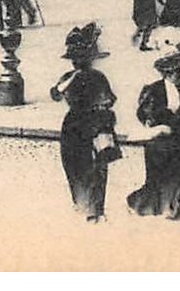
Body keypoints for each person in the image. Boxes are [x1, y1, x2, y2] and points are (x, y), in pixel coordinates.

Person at [126, 49, 180, 220]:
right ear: (165, 73)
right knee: (158, 177)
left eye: (178, 71)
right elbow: (143, 113)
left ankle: (174, 208)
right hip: (160, 141)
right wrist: (156, 123)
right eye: (172, 72)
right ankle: (158, 206)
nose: (176, 75)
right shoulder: (153, 90)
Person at [50, 24, 119, 221]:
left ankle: (89, 209)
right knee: (89, 168)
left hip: (80, 126)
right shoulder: (90, 77)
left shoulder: (88, 78)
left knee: (84, 168)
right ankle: (92, 209)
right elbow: (110, 100)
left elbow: (56, 94)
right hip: (88, 126)